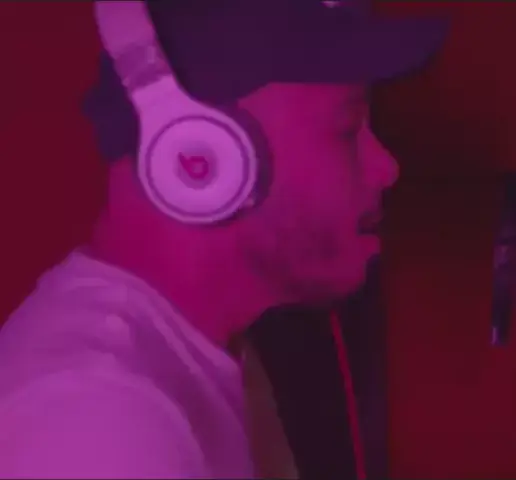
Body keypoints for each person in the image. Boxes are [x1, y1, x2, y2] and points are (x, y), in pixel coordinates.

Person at [0, 1, 447, 478]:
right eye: (347, 128)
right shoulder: (96, 421)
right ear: (201, 159)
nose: (386, 169)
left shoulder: (202, 357)